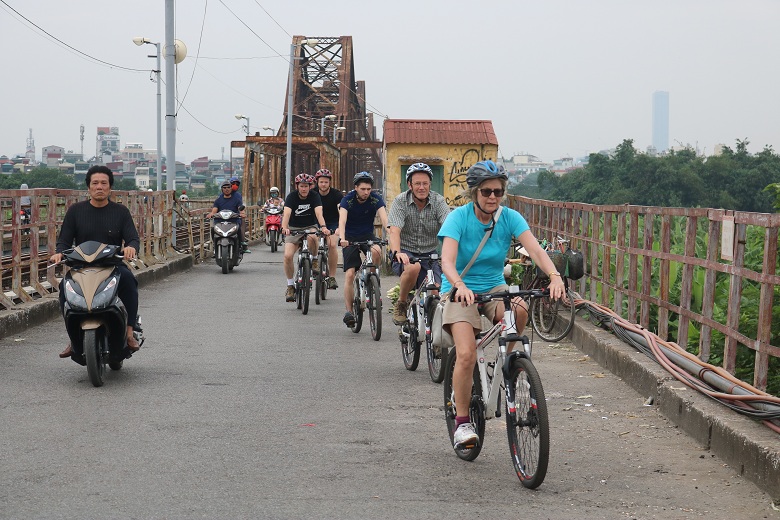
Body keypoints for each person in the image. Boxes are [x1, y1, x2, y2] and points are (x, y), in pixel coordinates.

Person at [438, 160, 565, 448]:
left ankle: (507, 360)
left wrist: (555, 277)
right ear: (475, 193)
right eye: (486, 192)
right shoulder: (458, 218)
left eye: (497, 191)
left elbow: (535, 249)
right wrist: (458, 284)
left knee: (520, 304)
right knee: (467, 354)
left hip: (494, 288)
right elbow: (446, 259)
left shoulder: (509, 217)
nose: (492, 197)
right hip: (460, 289)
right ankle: (461, 423)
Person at [50, 165, 142, 358]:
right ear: (88, 187)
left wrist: (131, 247)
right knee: (65, 289)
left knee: (129, 281)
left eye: (103, 183)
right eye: (95, 183)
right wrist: (59, 253)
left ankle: (129, 332)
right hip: (81, 266)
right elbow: (64, 240)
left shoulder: (120, 212)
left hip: (112, 265)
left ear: (110, 187)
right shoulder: (75, 211)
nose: (99, 187)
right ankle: (73, 338)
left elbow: (132, 237)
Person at [387, 163, 450, 325]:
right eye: (417, 183)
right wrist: (397, 252)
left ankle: (432, 330)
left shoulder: (438, 201)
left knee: (435, 291)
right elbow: (394, 230)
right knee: (413, 267)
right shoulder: (400, 201)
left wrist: (452, 252)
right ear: (410, 185)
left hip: (430, 254)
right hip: (405, 252)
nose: (421, 187)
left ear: (430, 184)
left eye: (425, 183)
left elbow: (449, 228)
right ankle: (401, 303)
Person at [337, 171, 389, 327]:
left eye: (368, 189)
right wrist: (342, 239)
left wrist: (391, 234)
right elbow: (342, 221)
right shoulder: (348, 200)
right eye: (363, 189)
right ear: (356, 188)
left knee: (377, 250)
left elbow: (385, 220)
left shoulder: (375, 199)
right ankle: (349, 311)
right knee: (350, 273)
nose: (366, 192)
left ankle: (372, 276)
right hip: (350, 237)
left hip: (367, 234)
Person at [281, 173, 330, 302]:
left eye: (306, 186)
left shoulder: (314, 196)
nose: (304, 189)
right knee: (287, 256)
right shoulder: (291, 197)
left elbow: (319, 213)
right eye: (302, 186)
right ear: (297, 186)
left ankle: (314, 260)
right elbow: (286, 214)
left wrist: (323, 226)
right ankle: (290, 285)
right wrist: (284, 227)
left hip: (310, 226)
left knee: (313, 237)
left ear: (310, 187)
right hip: (294, 228)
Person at [314, 168, 343, 290]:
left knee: (331, 245)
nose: (323, 184)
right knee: (311, 240)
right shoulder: (313, 193)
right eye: (321, 182)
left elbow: (341, 210)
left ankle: (331, 277)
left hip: (332, 223)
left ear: (329, 182)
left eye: (326, 182)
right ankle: (312, 262)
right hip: (316, 222)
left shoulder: (336, 194)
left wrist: (340, 227)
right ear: (317, 182)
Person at [209, 180, 248, 252]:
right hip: (220, 222)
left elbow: (240, 209)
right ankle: (215, 246)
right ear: (222, 189)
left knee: (239, 229)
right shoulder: (218, 200)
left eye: (228, 187)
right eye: (224, 188)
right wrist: (211, 214)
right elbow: (214, 210)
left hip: (233, 221)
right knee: (213, 229)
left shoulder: (237, 200)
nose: (226, 189)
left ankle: (240, 244)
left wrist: (242, 213)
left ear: (231, 188)